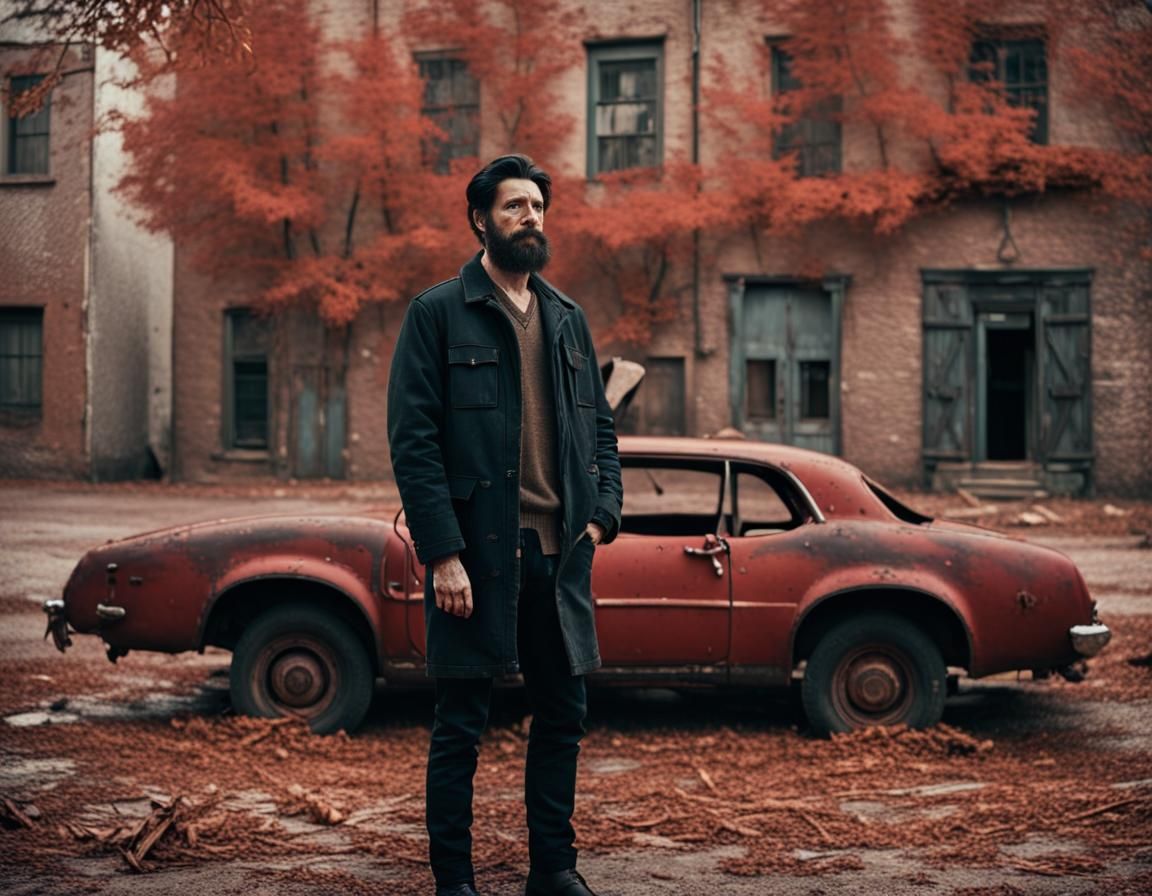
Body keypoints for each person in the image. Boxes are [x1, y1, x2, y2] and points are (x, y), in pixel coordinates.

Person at [387, 154, 623, 896]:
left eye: (538, 206)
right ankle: (453, 881)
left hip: (560, 556)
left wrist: (604, 516)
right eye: (516, 206)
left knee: (563, 716)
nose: (532, 217)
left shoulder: (567, 319)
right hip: (480, 557)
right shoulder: (437, 312)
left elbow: (602, 431)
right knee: (462, 721)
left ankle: (553, 869)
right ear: (480, 219)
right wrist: (442, 554)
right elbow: (413, 440)